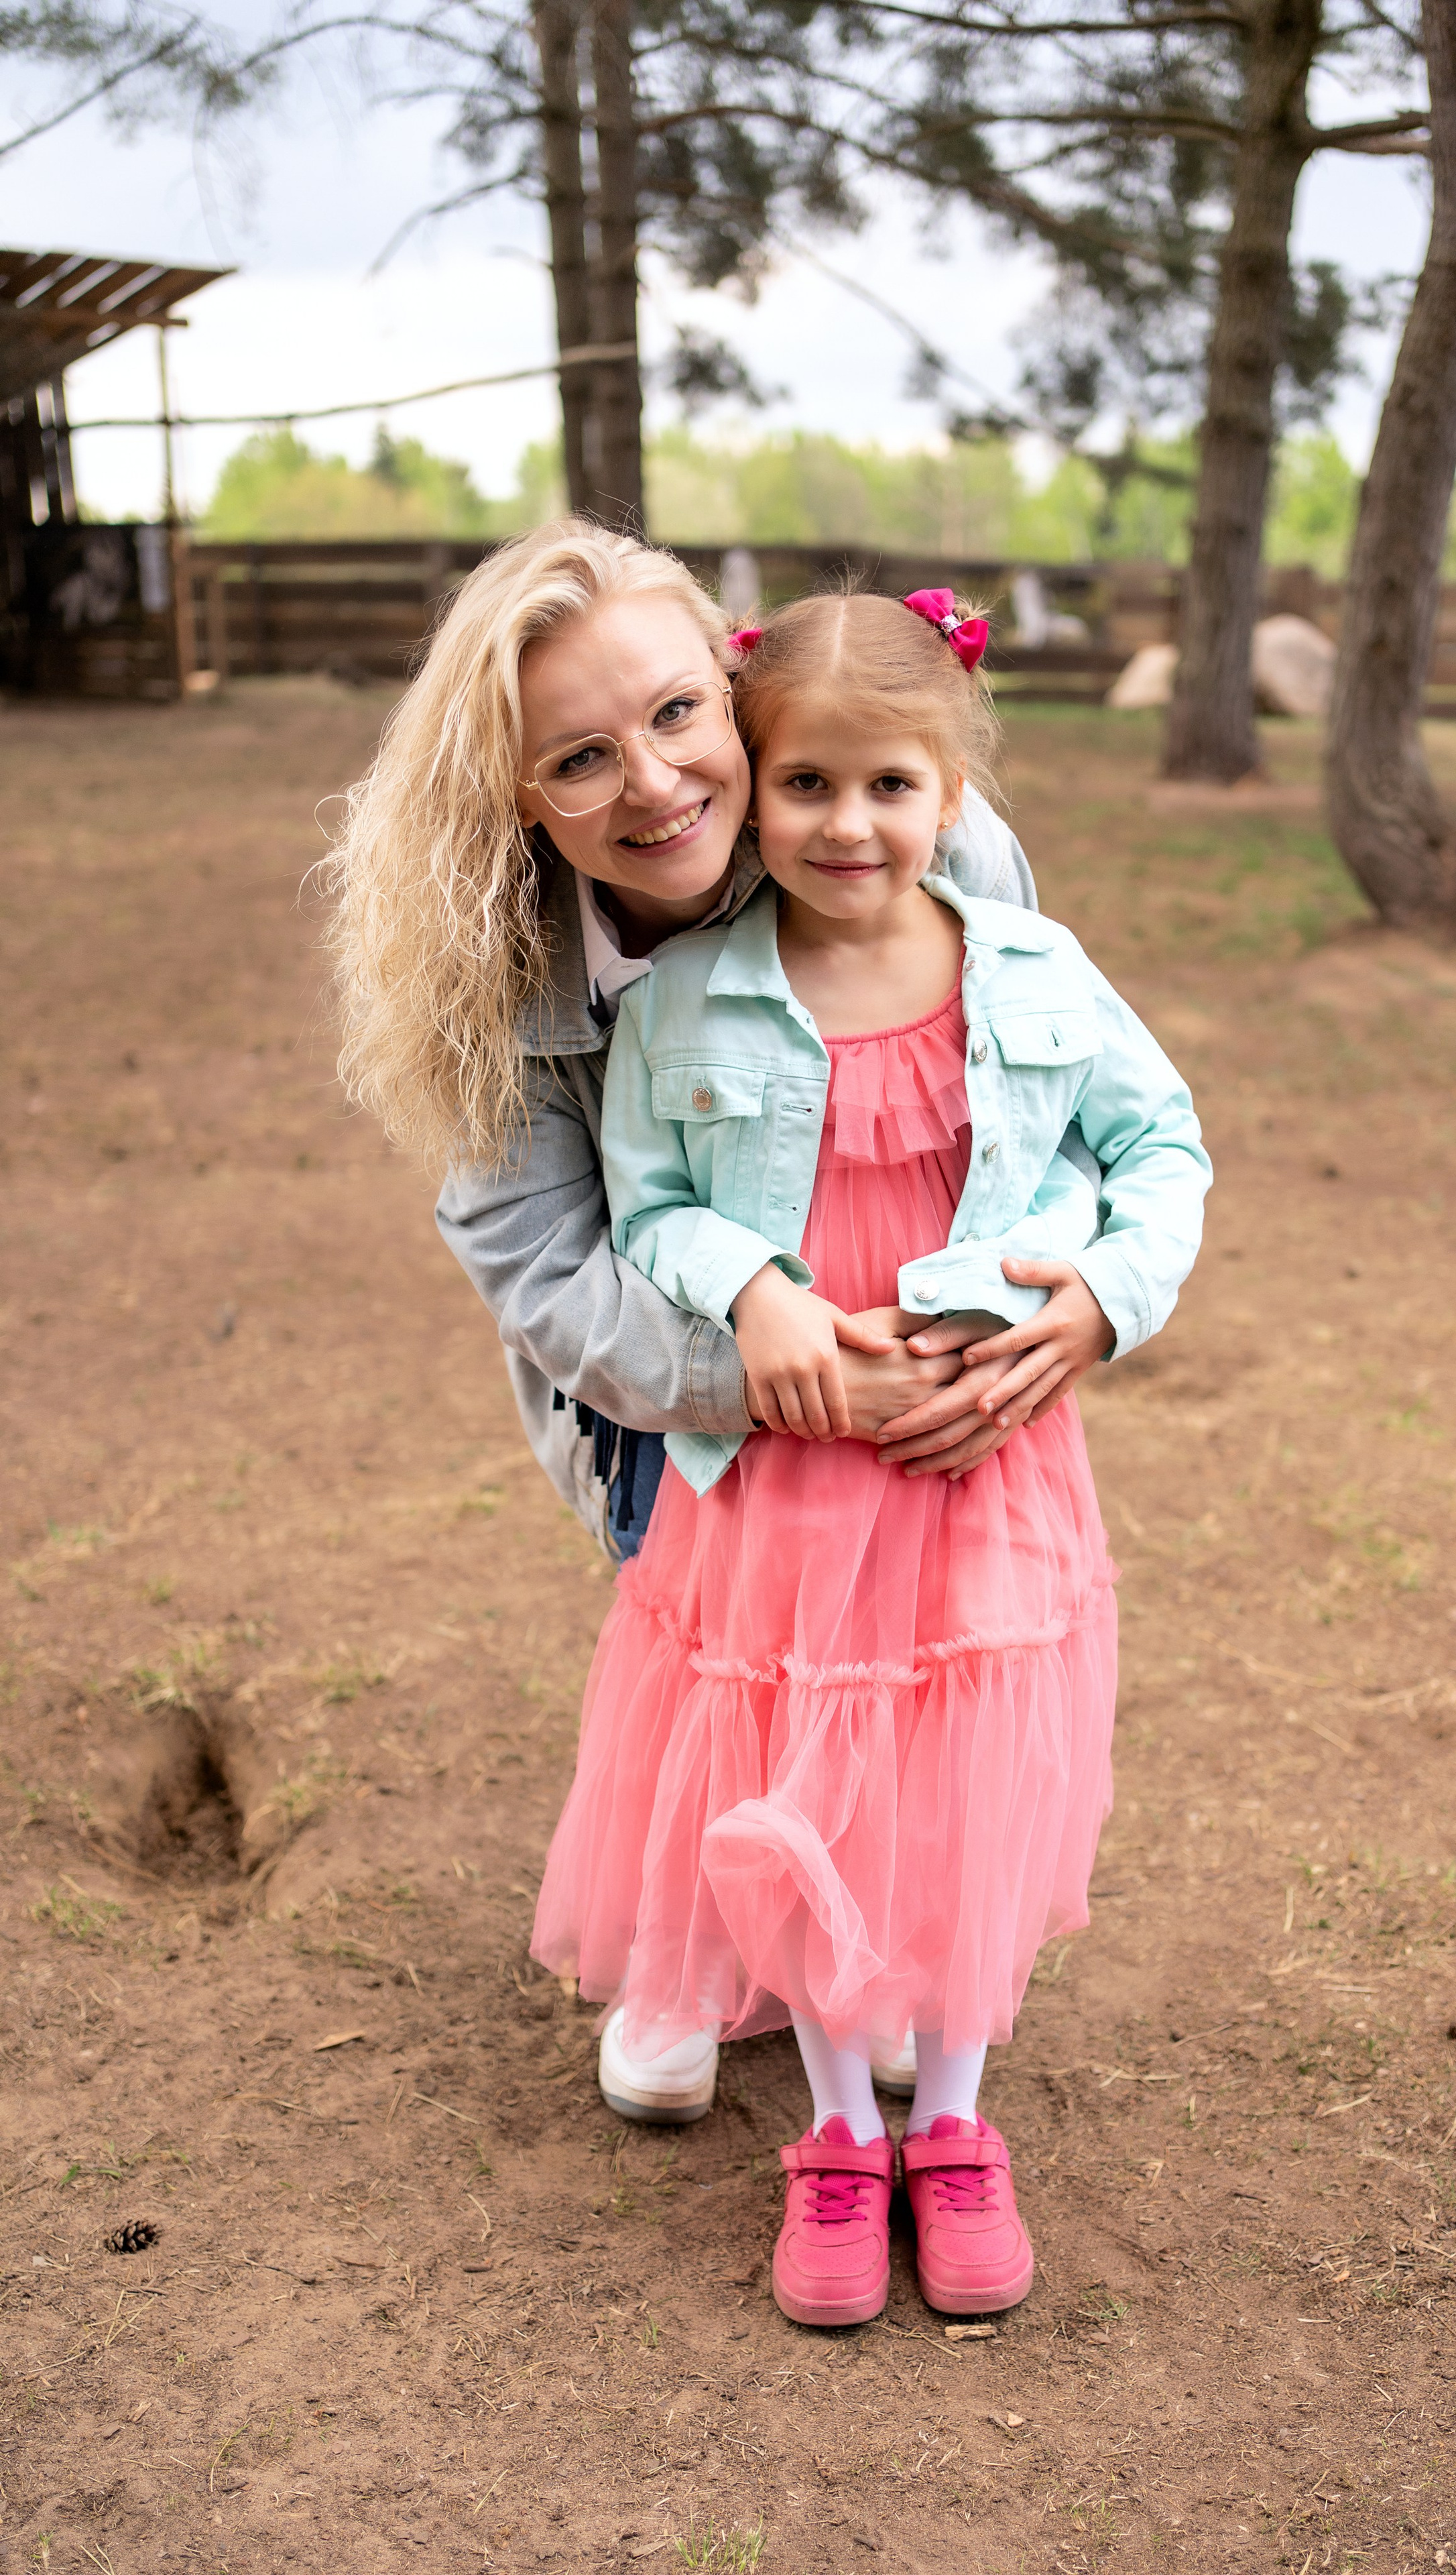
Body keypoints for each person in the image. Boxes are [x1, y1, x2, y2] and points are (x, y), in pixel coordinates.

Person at [325, 518, 1076, 2130]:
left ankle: (871, 1946)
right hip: (664, 1373)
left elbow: (1049, 1100)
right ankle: (688, 1946)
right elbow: (547, 1277)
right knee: (724, 1647)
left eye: (675, 717)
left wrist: (1057, 1306)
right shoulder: (494, 979)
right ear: (518, 793)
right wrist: (779, 1375)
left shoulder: (899, 827)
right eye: (579, 758)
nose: (655, 785)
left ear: (735, 687)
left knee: (898, 1649)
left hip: (920, 1337)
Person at [532, 587, 1211, 2328]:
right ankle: (838, 2130)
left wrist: (1101, 1310)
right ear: (756, 795)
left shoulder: (1037, 973)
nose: (850, 824)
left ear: (955, 789)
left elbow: (1163, 1149)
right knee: (808, 1766)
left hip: (977, 1453)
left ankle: (956, 2120)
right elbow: (647, 1202)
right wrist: (752, 1296)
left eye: (892, 785)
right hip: (794, 1473)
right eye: (810, 784)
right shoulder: (693, 1001)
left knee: (966, 1772)